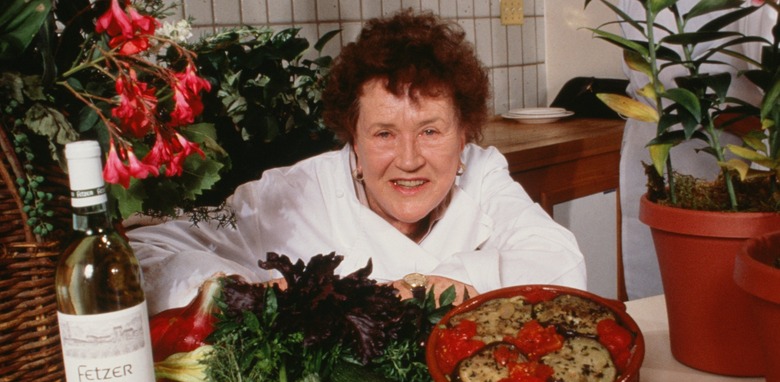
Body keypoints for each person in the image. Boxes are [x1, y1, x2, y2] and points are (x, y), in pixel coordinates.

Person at [127, 9, 587, 315]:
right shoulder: (290, 193)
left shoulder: (483, 174)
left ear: (463, 133)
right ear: (352, 138)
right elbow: (143, 250)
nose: (409, 160)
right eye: (384, 134)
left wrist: (427, 287)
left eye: (430, 131)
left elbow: (563, 266)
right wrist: (240, 291)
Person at [617, 0, 777, 300]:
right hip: (683, 150)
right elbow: (669, 77)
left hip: (755, 148)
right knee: (685, 301)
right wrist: (758, 126)